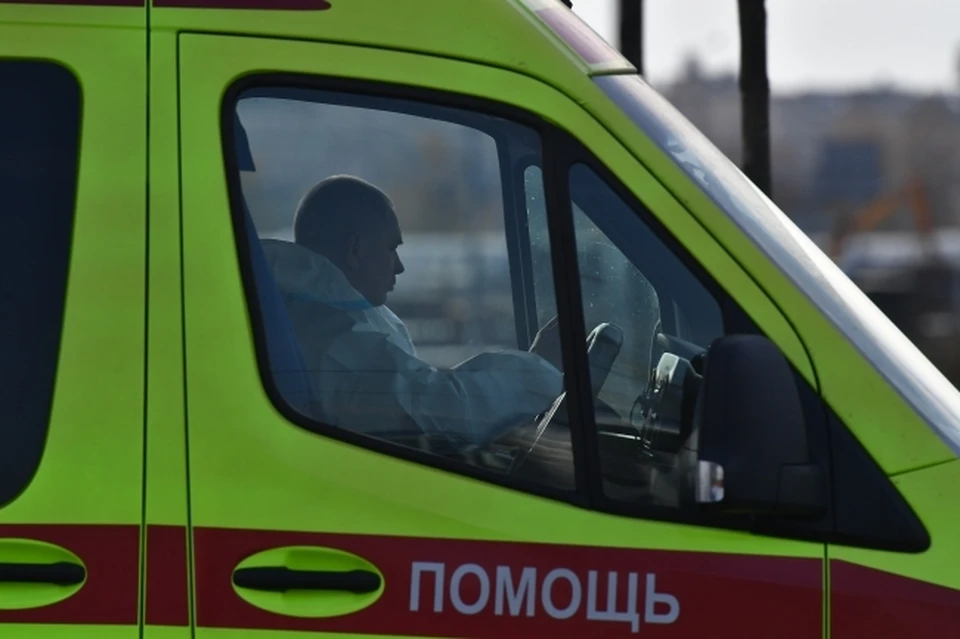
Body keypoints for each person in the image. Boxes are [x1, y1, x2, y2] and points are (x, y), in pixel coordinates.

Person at [261, 174, 564, 448]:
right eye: (392, 248)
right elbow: (437, 408)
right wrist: (539, 369)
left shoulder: (311, 314)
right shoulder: (335, 338)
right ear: (355, 250)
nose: (400, 266)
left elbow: (414, 388)